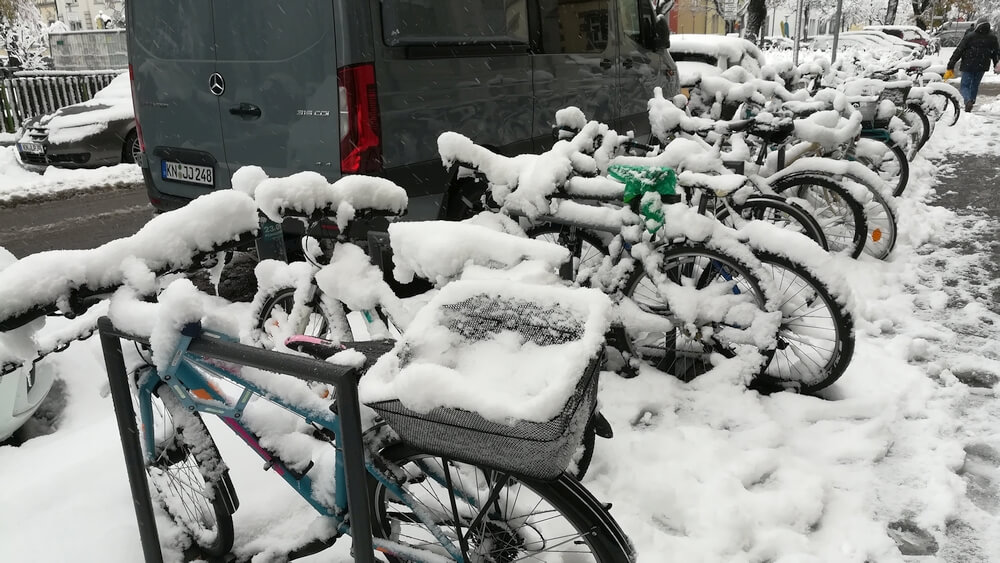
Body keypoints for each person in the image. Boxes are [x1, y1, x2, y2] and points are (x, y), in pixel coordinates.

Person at [944, 17, 1000, 112]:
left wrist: (951, 63)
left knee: (965, 85)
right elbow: (996, 53)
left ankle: (967, 100)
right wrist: (996, 65)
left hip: (968, 65)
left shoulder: (970, 36)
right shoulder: (993, 38)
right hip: (982, 65)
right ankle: (972, 101)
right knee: (975, 84)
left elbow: (959, 50)